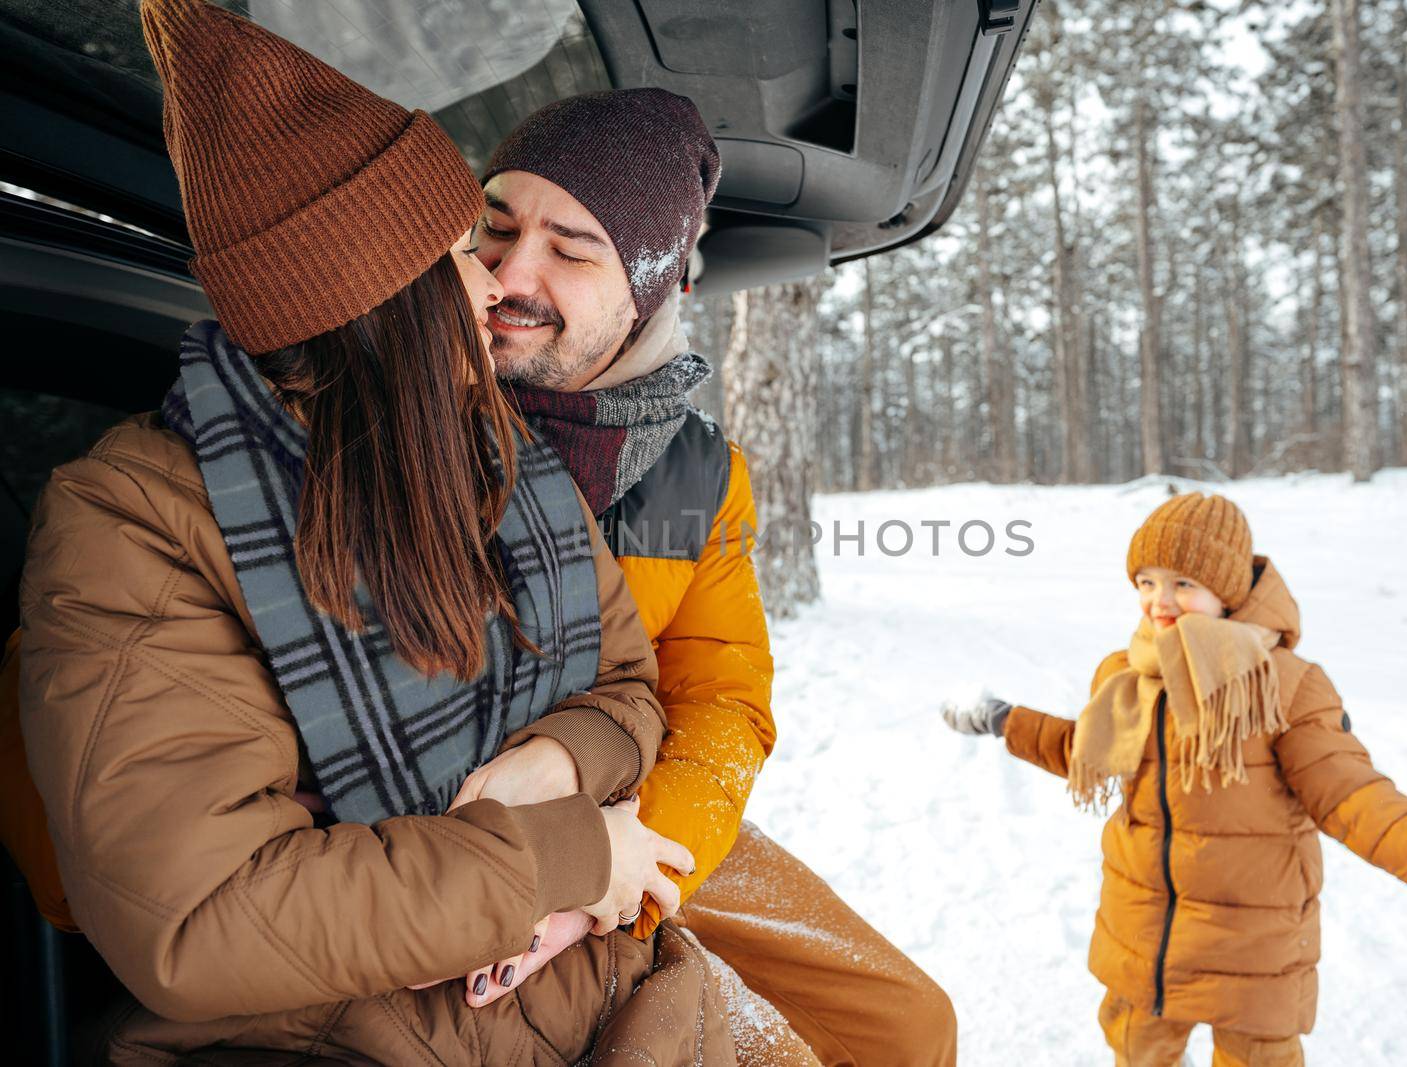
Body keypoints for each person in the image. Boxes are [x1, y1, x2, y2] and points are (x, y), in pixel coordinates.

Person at [13, 2, 730, 1062]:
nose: (494, 283)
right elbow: (202, 917)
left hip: (602, 992)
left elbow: (633, 687)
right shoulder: (140, 519)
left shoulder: (507, 460)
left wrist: (556, 757)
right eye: (464, 248)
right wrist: (559, 857)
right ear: (375, 293)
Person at [463, 89, 959, 1065]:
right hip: (461, 835)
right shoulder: (406, 409)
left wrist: (636, 863)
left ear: (652, 287)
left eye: (570, 247)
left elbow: (724, 701)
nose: (509, 273)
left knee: (906, 1025)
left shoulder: (699, 472)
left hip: (643, 814)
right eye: (496, 227)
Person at [942, 492, 1407, 1067]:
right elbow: (1088, 747)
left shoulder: (1284, 684)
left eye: (1182, 582)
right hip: (1142, 928)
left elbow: (1347, 790)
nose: (1159, 601)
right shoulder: (1129, 671)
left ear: (1227, 588)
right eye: (1145, 580)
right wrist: (1006, 719)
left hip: (1254, 943)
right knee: (1137, 1047)